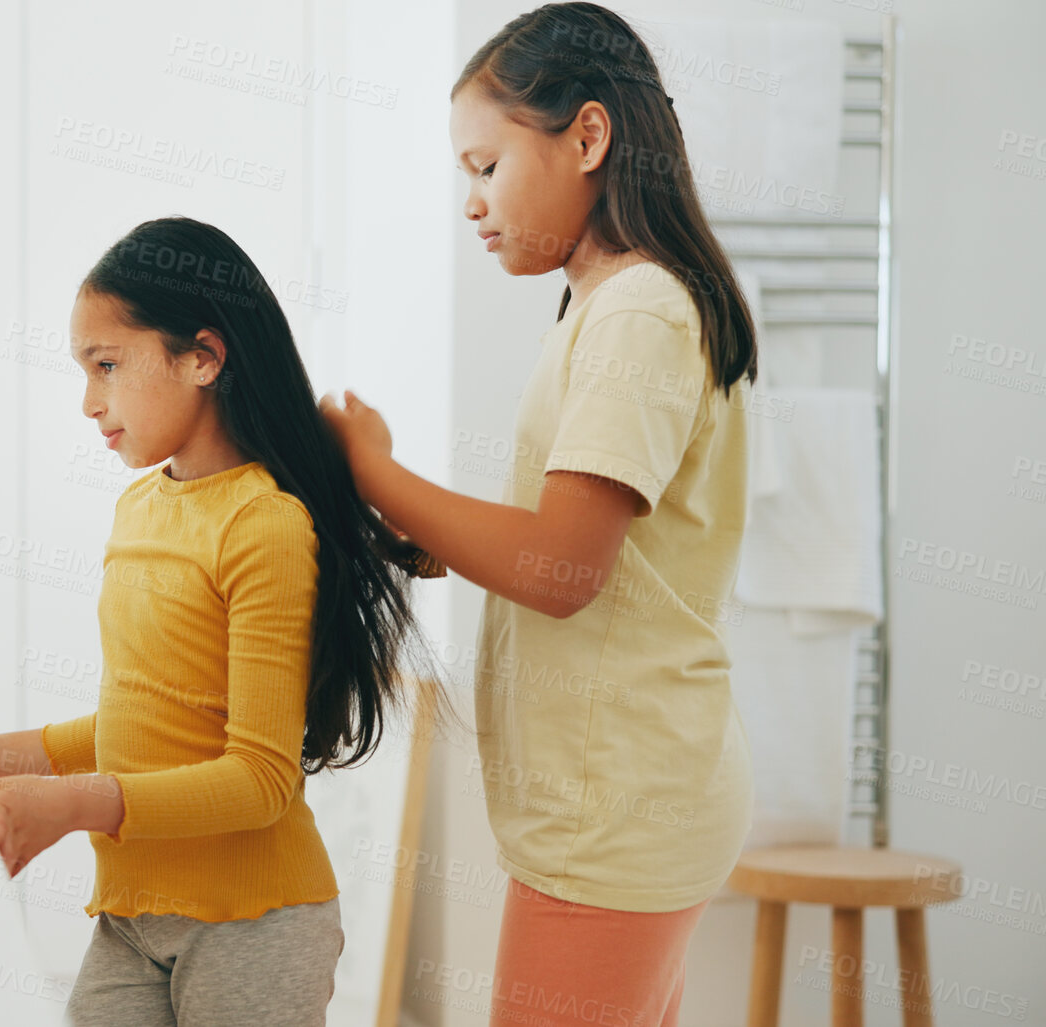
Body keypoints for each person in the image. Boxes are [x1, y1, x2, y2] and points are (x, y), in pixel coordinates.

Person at [319, 5, 759, 1025]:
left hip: (616, 811)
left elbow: (564, 570)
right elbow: (582, 541)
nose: (470, 202)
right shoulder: (616, 304)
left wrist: (377, 472)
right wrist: (424, 537)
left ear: (589, 138)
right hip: (622, 800)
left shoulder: (639, 312)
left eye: (485, 166)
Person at [0, 215, 449, 1026]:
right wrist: (2, 757)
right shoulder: (140, 506)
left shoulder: (263, 526)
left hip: (253, 927)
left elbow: (262, 780)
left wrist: (70, 805)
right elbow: (151, 720)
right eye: (83, 371)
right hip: (134, 915)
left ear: (202, 356)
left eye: (106, 365)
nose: (89, 401)